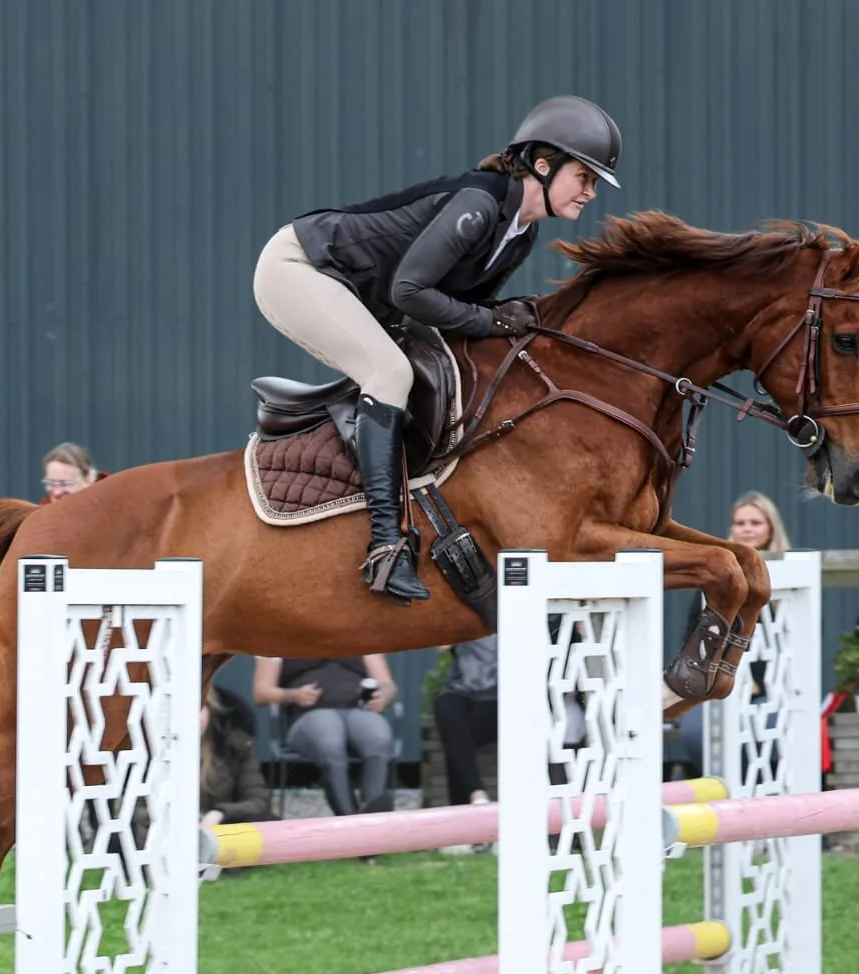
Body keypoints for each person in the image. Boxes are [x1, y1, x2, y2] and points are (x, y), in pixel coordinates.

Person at [252, 96, 623, 604]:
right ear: (544, 164)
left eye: (595, 182)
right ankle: (386, 546)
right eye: (584, 177)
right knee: (389, 373)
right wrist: (494, 319)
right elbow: (412, 293)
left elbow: (462, 308)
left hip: (358, 291)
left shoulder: (521, 233)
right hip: (299, 268)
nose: (591, 193)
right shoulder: (479, 204)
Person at [673, 492, 789, 776]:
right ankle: (720, 789)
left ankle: (760, 792)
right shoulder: (715, 577)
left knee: (769, 728)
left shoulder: (789, 579)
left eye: (755, 522)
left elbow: (791, 647)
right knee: (694, 728)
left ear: (771, 528)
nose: (746, 529)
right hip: (716, 684)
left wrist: (756, 683)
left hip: (768, 689)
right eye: (740, 523)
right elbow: (692, 637)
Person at [252, 654, 397, 818]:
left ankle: (374, 814)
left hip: (358, 710)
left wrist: (383, 696)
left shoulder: (359, 636)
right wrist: (293, 695)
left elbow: (388, 685)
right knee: (329, 739)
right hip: (310, 715)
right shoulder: (278, 639)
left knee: (378, 737)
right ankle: (349, 819)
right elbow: (261, 693)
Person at [433, 636, 498, 806]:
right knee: (447, 708)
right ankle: (476, 793)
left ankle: (465, 805)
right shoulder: (464, 612)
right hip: (465, 689)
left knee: (457, 738)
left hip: (504, 694)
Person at [199, 684, 275, 827]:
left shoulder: (235, 744)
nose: (194, 717)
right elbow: (142, 809)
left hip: (221, 832)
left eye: (200, 707)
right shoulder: (150, 752)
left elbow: (258, 801)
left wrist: (220, 813)